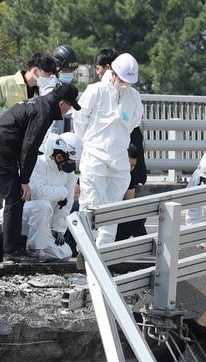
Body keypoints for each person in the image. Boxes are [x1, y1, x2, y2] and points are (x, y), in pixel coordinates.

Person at [0, 81, 79, 262]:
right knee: (14, 198)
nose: (68, 111)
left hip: (0, 150)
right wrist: (24, 180)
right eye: (69, 106)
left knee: (16, 197)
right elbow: (30, 147)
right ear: (62, 102)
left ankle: (14, 247)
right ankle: (10, 251)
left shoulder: (41, 104)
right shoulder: (44, 112)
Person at [0, 50, 55, 258]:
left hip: (16, 152)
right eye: (47, 74)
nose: (48, 79)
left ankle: (14, 243)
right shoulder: (6, 82)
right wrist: (14, 114)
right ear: (36, 71)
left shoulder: (40, 94)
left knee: (18, 197)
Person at [76, 52, 140, 247]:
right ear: (112, 73)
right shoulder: (96, 91)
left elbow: (134, 122)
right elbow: (80, 121)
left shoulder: (134, 96)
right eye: (122, 79)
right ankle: (85, 249)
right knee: (90, 203)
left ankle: (104, 251)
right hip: (95, 155)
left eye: (129, 81)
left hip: (119, 159)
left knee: (112, 208)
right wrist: (87, 145)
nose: (124, 84)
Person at [23, 132, 79, 258]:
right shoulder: (37, 163)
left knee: (65, 254)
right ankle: (34, 249)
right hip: (24, 216)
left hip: (43, 224)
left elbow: (68, 202)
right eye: (70, 160)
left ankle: (36, 246)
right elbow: (38, 193)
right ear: (59, 155)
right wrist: (62, 192)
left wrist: (58, 228)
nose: (71, 164)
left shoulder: (68, 175)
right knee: (43, 205)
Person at [114, 143, 147, 241]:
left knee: (138, 214)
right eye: (129, 165)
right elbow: (77, 194)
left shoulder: (130, 174)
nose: (130, 168)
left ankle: (144, 243)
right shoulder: (101, 169)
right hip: (97, 208)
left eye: (133, 166)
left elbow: (129, 201)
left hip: (115, 210)